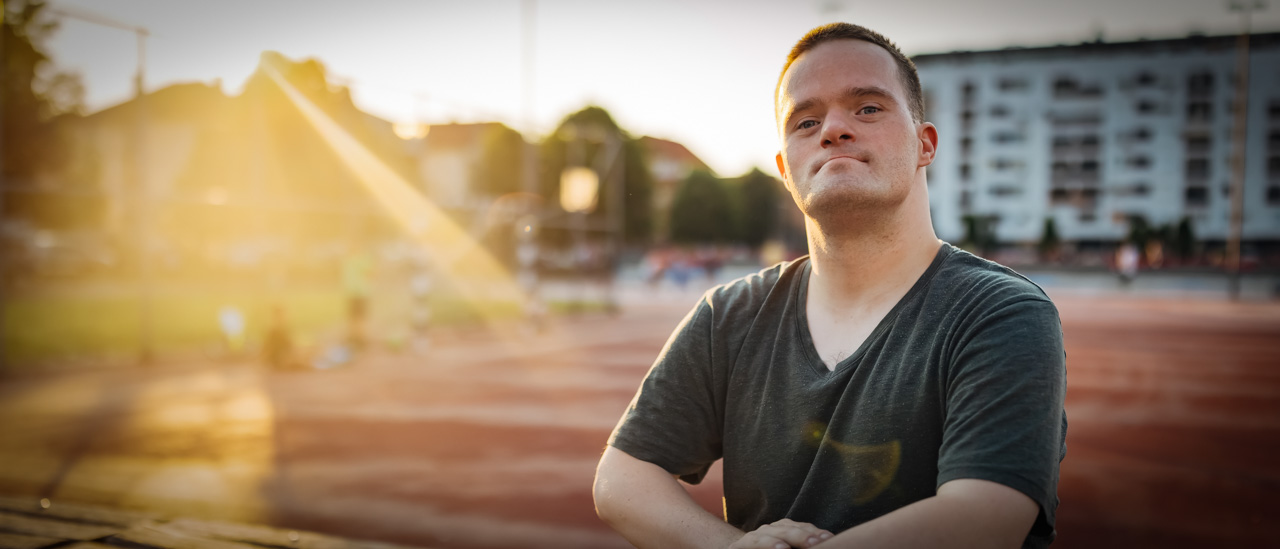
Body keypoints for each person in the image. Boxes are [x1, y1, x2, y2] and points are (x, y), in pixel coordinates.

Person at [594, 23, 1067, 549]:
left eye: (867, 108)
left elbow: (984, 518)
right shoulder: (727, 315)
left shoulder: (1001, 312)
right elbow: (620, 477)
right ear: (784, 169)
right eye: (806, 120)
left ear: (924, 144)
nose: (833, 130)